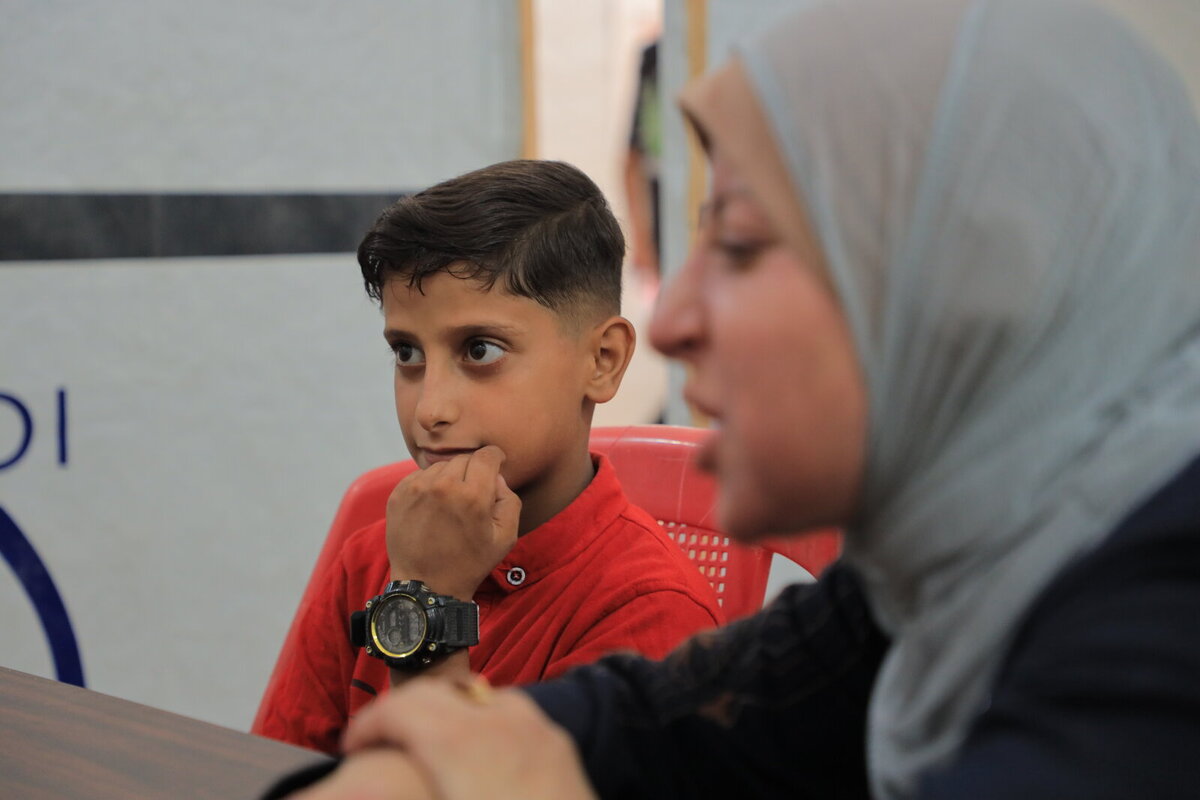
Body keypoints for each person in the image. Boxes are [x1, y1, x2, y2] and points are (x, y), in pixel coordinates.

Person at [274, 0, 1200, 796]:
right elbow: (649, 723)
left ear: (967, 290)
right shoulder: (931, 589)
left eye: (744, 244)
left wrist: (431, 658)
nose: (673, 318)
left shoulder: (1152, 664)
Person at [252, 160, 723, 755]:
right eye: (407, 353)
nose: (430, 409)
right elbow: (271, 771)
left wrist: (427, 601)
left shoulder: (648, 613)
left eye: (480, 350)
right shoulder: (372, 560)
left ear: (602, 360)